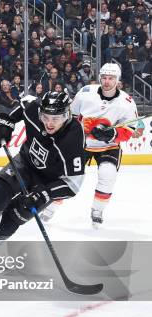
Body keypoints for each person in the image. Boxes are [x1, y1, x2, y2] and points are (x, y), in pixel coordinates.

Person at [0, 91, 86, 261]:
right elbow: (22, 106)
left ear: (67, 115)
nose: (49, 123)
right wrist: (5, 123)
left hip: (46, 182)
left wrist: (45, 194)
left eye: (55, 118)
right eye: (45, 117)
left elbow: (73, 184)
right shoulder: (35, 107)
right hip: (24, 163)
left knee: (14, 217)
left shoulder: (74, 138)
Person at [41, 63, 139, 227]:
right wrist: (78, 128)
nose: (107, 81)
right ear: (100, 77)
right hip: (82, 143)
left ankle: (97, 210)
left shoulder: (127, 102)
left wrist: (112, 134)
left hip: (109, 147)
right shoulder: (86, 92)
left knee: (107, 174)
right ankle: (50, 208)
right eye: (104, 78)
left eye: (111, 78)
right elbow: (70, 115)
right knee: (66, 177)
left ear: (118, 80)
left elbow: (130, 128)